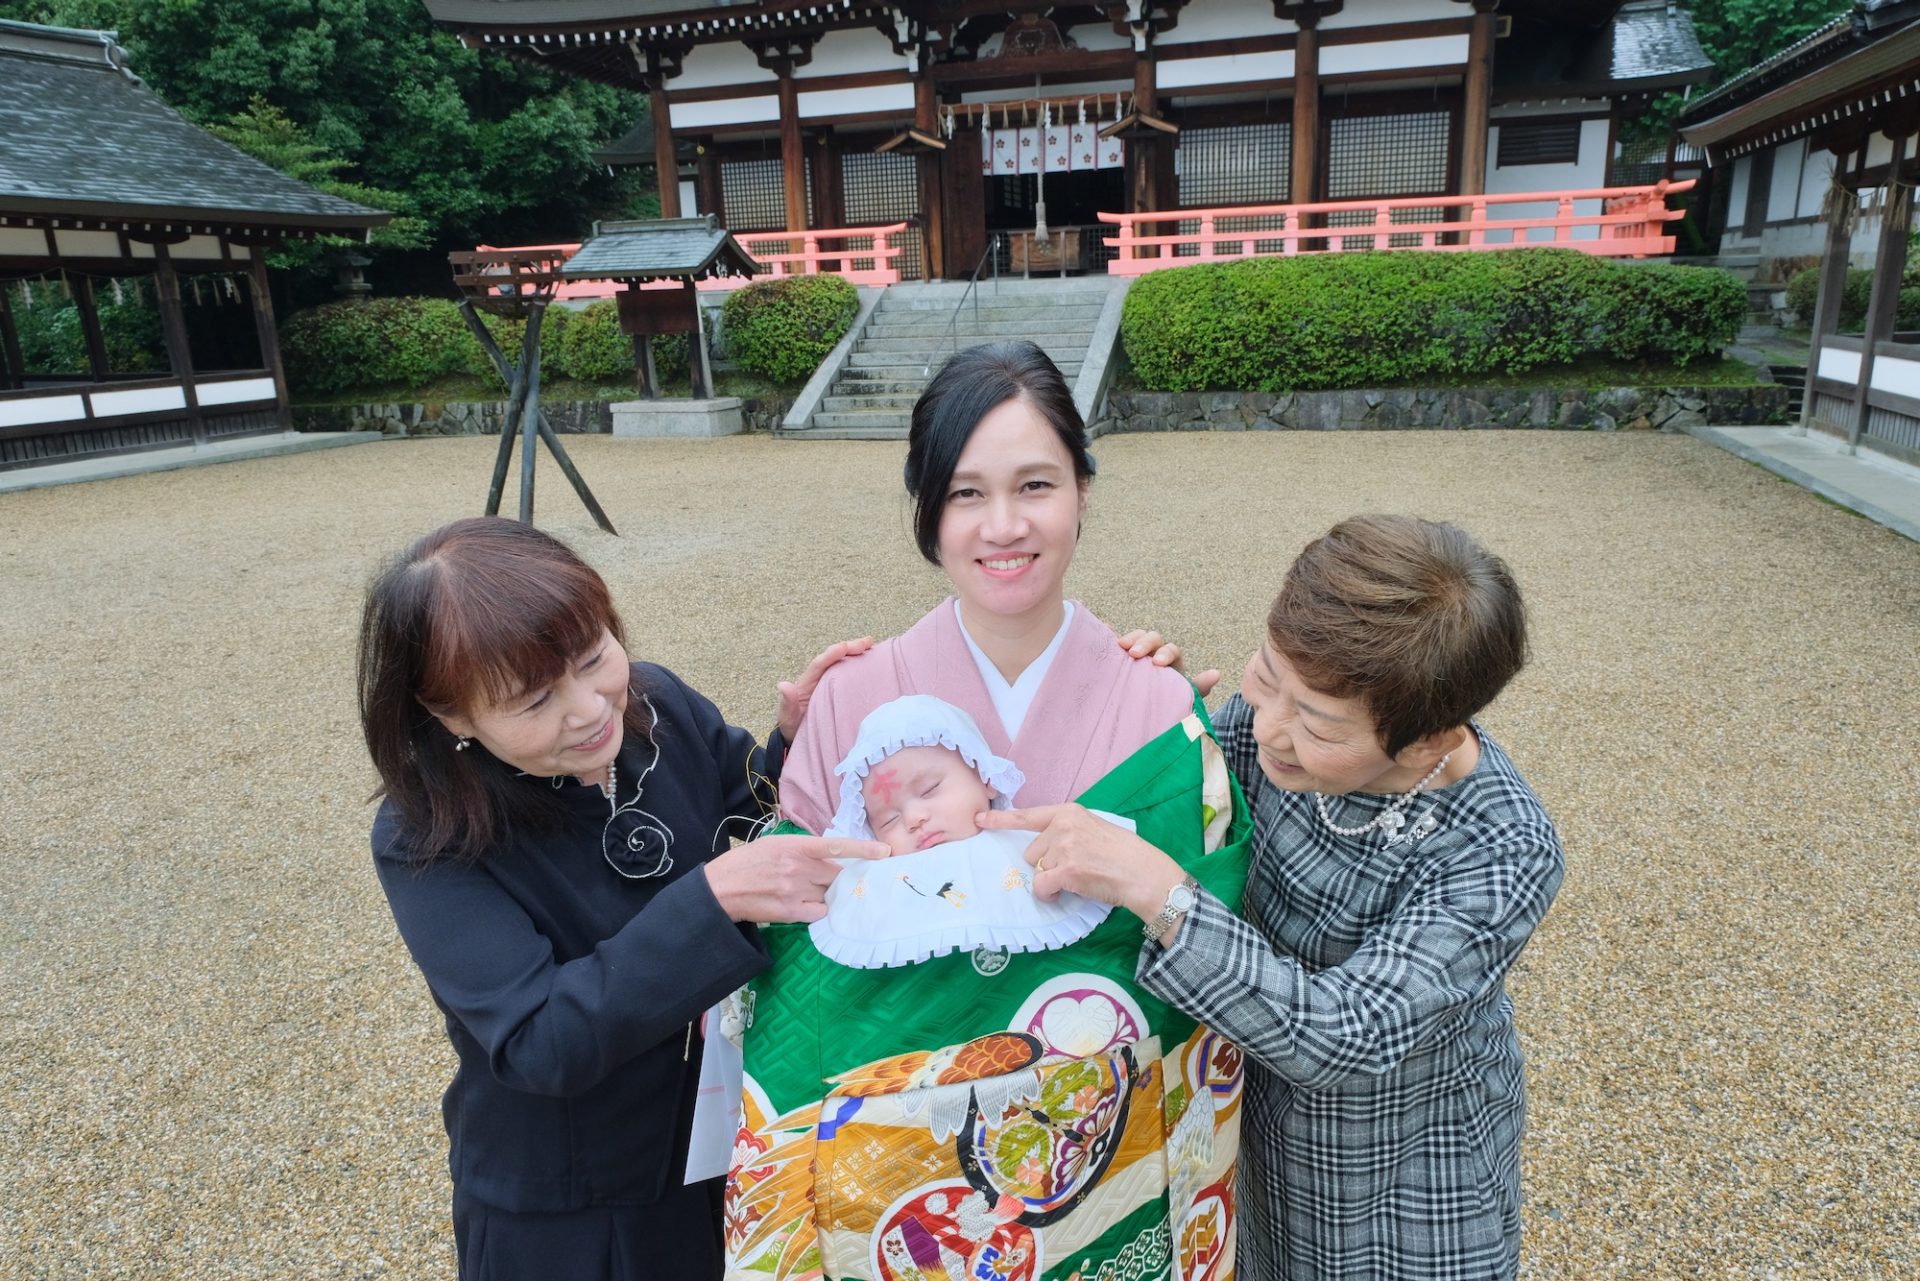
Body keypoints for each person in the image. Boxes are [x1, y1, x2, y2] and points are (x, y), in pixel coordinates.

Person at [724, 342, 1254, 1281]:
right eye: (966, 493)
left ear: (1084, 491)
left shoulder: (1154, 703)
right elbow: (794, 963)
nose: (1003, 525)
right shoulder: (853, 700)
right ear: (927, 512)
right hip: (896, 1183)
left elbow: (1205, 932)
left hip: (1102, 1143)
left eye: (1036, 484)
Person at [983, 514, 1567, 1281]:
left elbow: (1341, 1033)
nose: (1269, 731)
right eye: (1266, 677)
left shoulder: (1502, 846)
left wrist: (1163, 894)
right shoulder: (1272, 730)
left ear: (1427, 740)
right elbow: (1194, 781)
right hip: (1254, 1119)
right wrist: (1154, 705)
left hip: (1403, 1164)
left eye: (1317, 724)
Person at [357, 516, 888, 1281]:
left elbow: (751, 809)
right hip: (570, 1202)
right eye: (534, 700)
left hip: (720, 1142)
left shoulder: (656, 701)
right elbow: (538, 1037)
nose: (589, 708)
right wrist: (710, 900)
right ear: (451, 715)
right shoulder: (427, 832)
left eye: (595, 654)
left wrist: (798, 739)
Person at [807, 693, 1116, 968]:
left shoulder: (1025, 844)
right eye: (888, 820)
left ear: (983, 775)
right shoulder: (881, 881)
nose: (914, 819)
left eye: (929, 790)